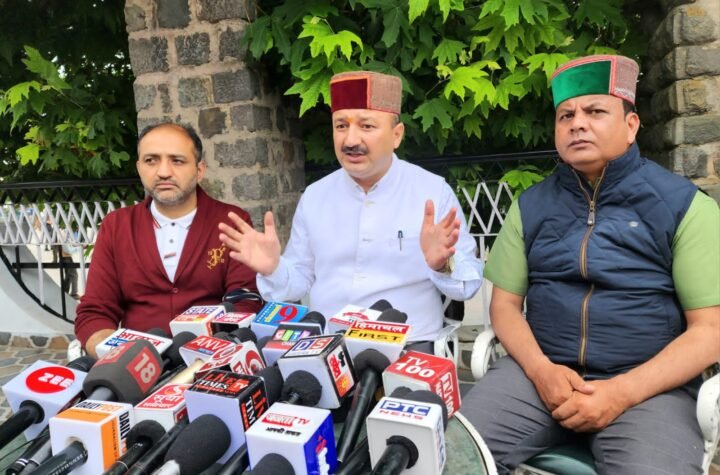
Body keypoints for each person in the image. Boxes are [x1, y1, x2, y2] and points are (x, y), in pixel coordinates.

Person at [463, 54, 720, 474]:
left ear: (631, 126)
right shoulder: (530, 206)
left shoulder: (685, 207)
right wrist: (542, 372)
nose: (577, 124)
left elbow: (710, 331)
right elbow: (504, 307)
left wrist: (620, 392)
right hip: (536, 377)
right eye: (566, 115)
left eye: (595, 111)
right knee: (449, 454)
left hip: (650, 388)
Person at [219, 71, 484, 346]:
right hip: (327, 346)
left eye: (366, 126)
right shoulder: (315, 196)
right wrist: (274, 269)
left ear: (396, 135)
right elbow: (297, 282)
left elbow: (468, 284)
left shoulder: (432, 191)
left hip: (410, 345)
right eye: (341, 126)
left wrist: (443, 265)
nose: (350, 140)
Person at [75, 123, 261, 358]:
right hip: (135, 364)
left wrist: (216, 351)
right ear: (139, 168)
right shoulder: (117, 226)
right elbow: (95, 310)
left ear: (199, 170)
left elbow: (244, 303)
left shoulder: (231, 221)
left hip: (211, 360)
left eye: (177, 161)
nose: (163, 172)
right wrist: (112, 354)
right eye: (151, 160)